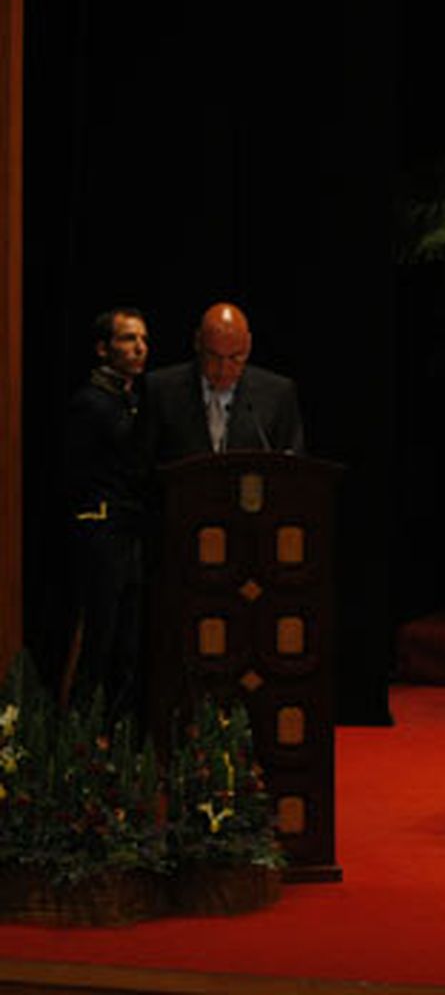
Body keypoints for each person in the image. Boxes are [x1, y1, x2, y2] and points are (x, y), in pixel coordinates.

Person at [61, 308, 149, 718]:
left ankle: (119, 743)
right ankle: (77, 740)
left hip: (132, 532)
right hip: (101, 530)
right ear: (102, 348)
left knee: (127, 648)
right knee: (98, 640)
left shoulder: (135, 400)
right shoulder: (90, 403)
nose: (139, 348)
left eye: (143, 340)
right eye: (128, 339)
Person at [142, 302, 305, 462]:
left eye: (235, 357)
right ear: (198, 342)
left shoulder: (277, 394)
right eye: (213, 356)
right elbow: (142, 468)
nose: (223, 369)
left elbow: (291, 470)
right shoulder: (160, 390)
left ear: (248, 346)